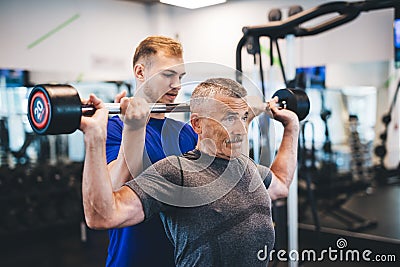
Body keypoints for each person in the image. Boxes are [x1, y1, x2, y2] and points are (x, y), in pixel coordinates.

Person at [81, 78, 300, 266]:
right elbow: (102, 216)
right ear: (197, 124)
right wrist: (94, 136)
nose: (241, 130)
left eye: (243, 117)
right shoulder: (177, 172)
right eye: (229, 118)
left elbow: (281, 184)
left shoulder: (247, 167)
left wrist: (292, 127)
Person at [105, 36, 198, 266]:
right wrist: (133, 128)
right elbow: (114, 190)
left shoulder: (186, 132)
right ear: (140, 72)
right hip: (133, 258)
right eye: (168, 75)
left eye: (180, 77)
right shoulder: (114, 127)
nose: (177, 85)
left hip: (181, 259)